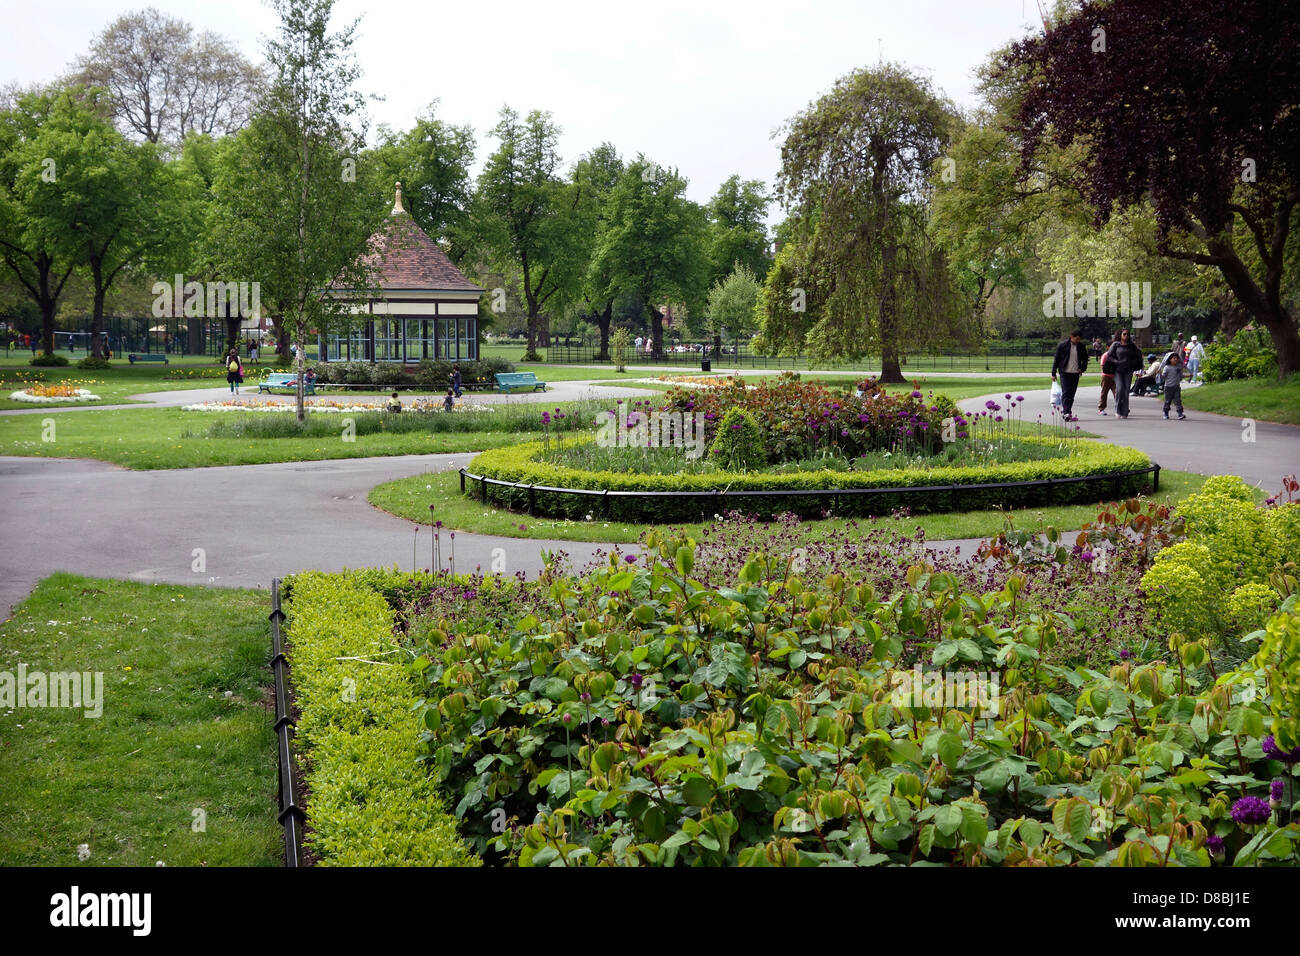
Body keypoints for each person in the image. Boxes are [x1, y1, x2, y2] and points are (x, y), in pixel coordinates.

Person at [1104, 329, 1145, 419]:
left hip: (1128, 371)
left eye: (1128, 334)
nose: (1126, 335)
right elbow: (1109, 356)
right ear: (1120, 335)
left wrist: (1132, 363)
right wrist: (1117, 362)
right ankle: (1118, 410)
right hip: (1117, 370)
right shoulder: (1116, 345)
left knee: (1126, 391)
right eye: (1124, 334)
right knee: (1120, 388)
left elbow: (1137, 355)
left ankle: (1125, 411)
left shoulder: (1131, 346)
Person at [1050, 329, 1088, 419]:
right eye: (1076, 339)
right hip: (1064, 373)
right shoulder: (1062, 345)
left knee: (1071, 394)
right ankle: (1066, 412)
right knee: (1066, 393)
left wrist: (1082, 369)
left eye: (1079, 339)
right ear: (1071, 337)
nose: (1078, 341)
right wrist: (1053, 373)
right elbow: (1057, 359)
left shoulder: (1081, 346)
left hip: (1075, 373)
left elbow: (1085, 359)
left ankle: (1067, 411)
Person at [1097, 330, 1121, 414]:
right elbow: (1102, 366)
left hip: (1114, 376)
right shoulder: (1105, 355)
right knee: (1104, 393)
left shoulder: (1116, 354)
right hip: (1106, 376)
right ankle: (1101, 409)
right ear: (1107, 347)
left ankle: (1119, 407)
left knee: (1117, 393)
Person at [1160, 351, 1187, 420]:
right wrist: (1159, 374)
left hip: (1176, 387)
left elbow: (1180, 376)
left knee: (1178, 400)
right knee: (1167, 401)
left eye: (1177, 358)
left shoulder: (1178, 367)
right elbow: (1163, 377)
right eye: (1173, 358)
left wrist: (1188, 375)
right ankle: (1166, 413)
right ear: (1169, 359)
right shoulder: (1167, 367)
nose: (1175, 359)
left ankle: (1180, 414)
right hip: (1168, 387)